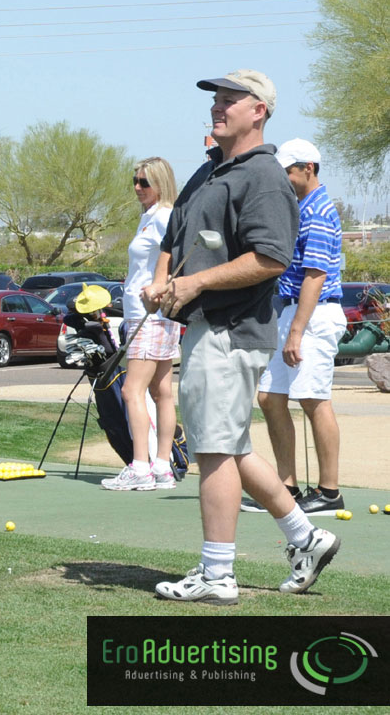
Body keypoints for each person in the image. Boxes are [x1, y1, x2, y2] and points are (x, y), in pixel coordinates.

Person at [147, 70, 339, 604]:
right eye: (216, 98)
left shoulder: (265, 178)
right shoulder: (210, 170)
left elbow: (271, 258)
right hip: (207, 326)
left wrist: (195, 282)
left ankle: (218, 575)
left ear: (260, 111)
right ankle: (307, 537)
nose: (219, 106)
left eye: (232, 99)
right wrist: (162, 280)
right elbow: (175, 233)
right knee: (230, 445)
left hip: (233, 330)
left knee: (213, 449)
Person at [248, 139, 347, 515]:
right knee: (270, 398)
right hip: (293, 311)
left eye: (288, 171)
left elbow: (315, 276)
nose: (284, 178)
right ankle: (286, 489)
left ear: (308, 167)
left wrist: (295, 332)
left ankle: (329, 491)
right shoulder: (299, 206)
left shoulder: (319, 210)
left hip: (315, 314)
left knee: (313, 399)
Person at [101, 157, 182, 492]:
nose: (137, 187)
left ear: (161, 184)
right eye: (134, 180)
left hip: (150, 314)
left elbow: (175, 258)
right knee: (161, 390)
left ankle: (140, 467)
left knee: (130, 389)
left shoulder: (163, 216)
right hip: (152, 314)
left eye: (144, 182)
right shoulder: (149, 217)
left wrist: (158, 289)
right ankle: (162, 467)